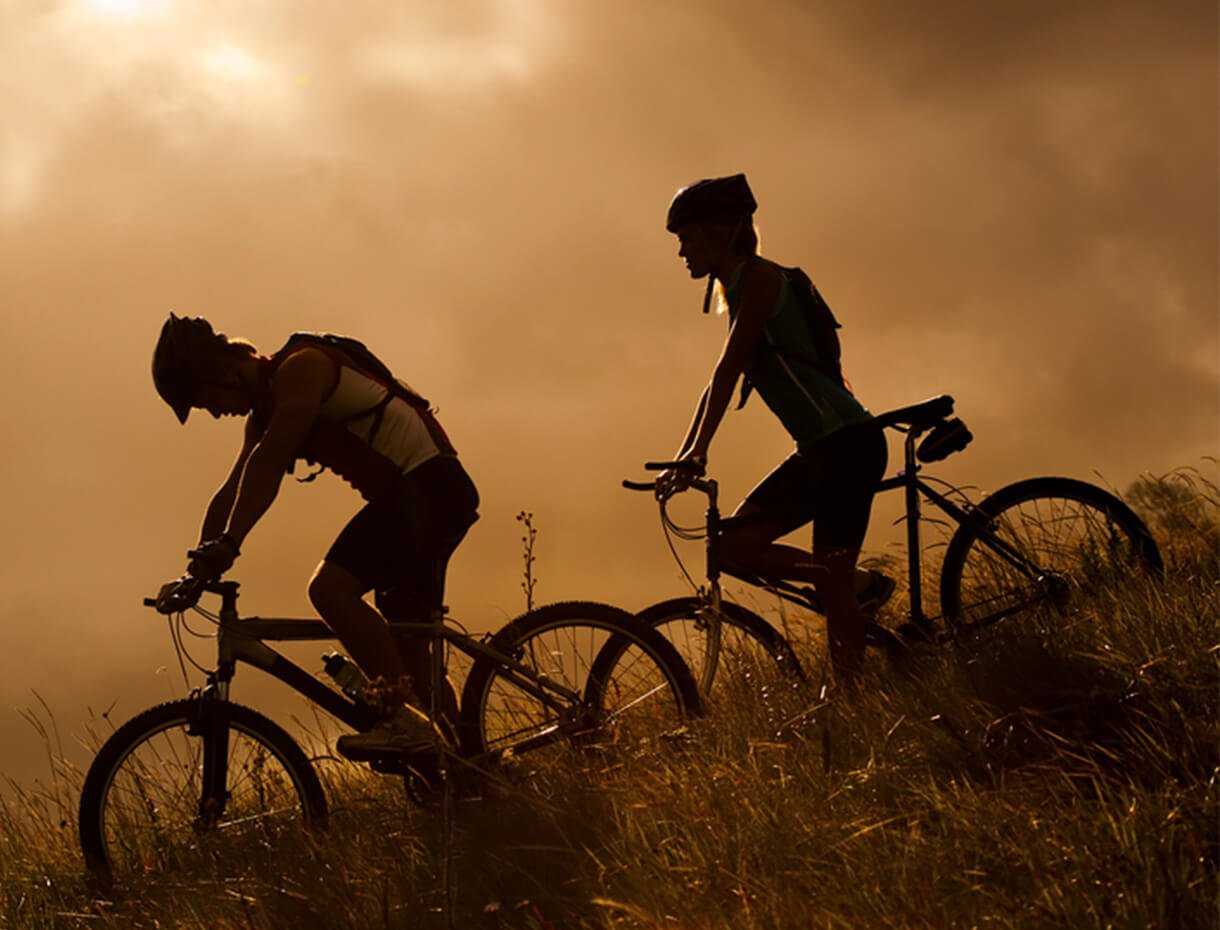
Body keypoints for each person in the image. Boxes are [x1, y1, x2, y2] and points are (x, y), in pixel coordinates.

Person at [151, 315, 479, 755]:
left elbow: (269, 463)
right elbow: (233, 488)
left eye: (204, 398)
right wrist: (195, 567)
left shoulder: (302, 369)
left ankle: (403, 719)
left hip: (427, 487)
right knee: (410, 657)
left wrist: (229, 546)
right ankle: (467, 767)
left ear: (222, 368)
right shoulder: (264, 410)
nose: (212, 411)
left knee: (329, 590)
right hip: (414, 499)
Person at [656, 173, 891, 682]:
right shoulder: (738, 289)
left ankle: (850, 699)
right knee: (732, 546)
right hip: (822, 449)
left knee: (827, 573)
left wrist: (697, 452)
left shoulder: (762, 280)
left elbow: (729, 368)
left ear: (721, 232)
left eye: (687, 238)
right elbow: (716, 380)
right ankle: (858, 585)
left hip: (846, 445)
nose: (682, 252)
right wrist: (685, 454)